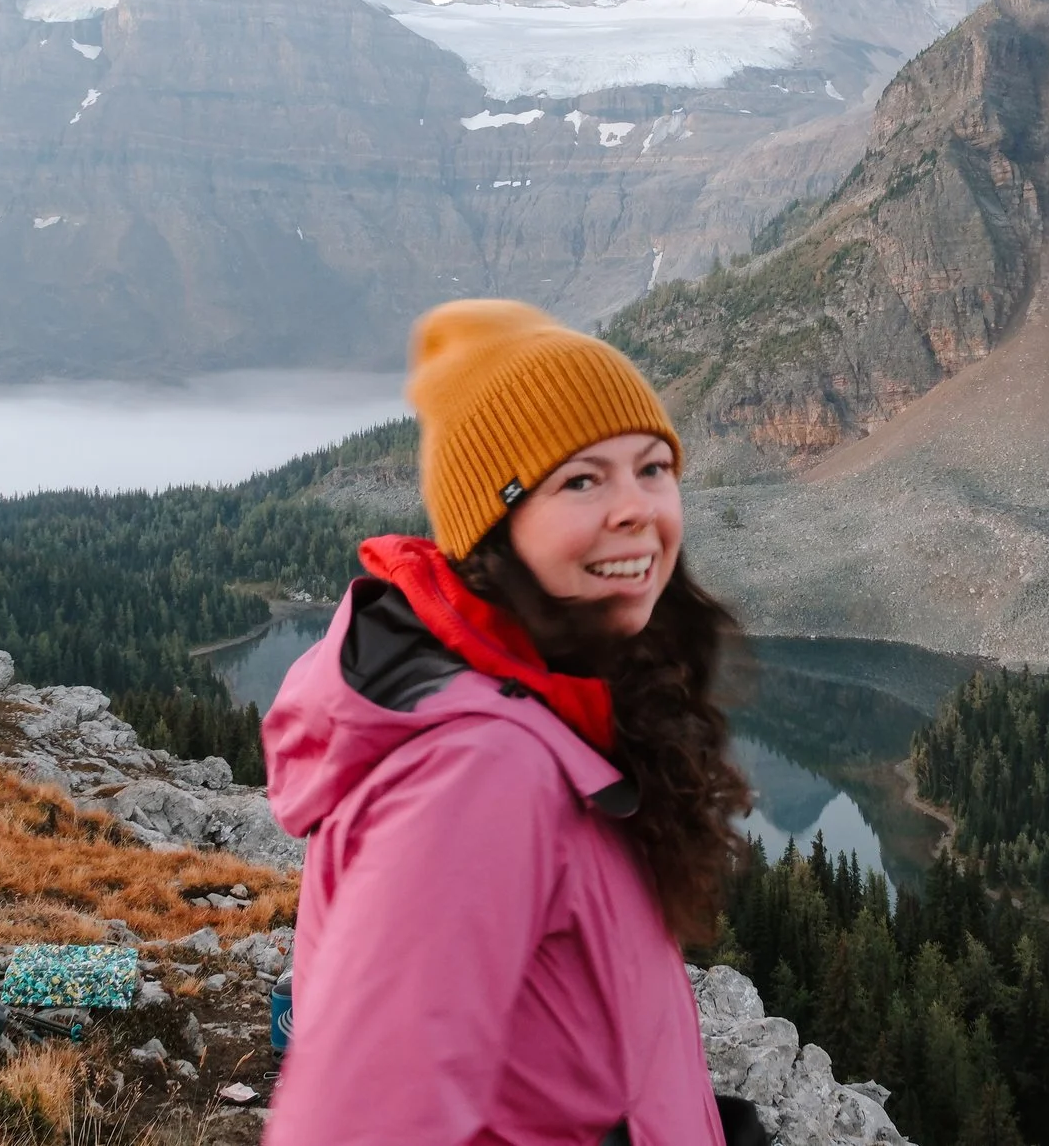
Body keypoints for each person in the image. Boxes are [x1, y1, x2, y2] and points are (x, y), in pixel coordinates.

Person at [261, 299, 757, 1146]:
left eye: (652, 467)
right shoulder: (479, 771)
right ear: (497, 529)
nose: (636, 508)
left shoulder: (561, 711)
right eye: (580, 480)